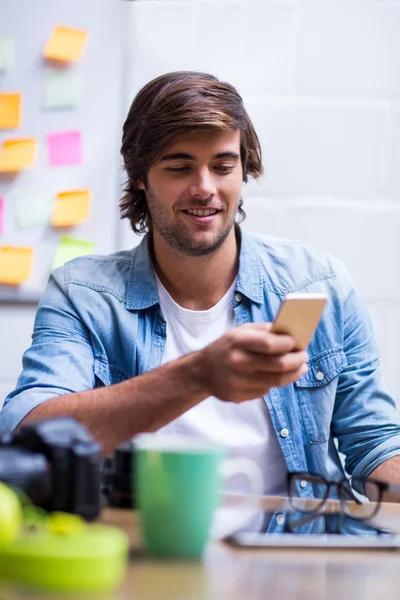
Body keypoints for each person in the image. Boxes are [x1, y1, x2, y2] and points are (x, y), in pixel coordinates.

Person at [1, 71, 400, 506]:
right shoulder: (83, 294)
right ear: (140, 176)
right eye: (180, 167)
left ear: (244, 169)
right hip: (143, 555)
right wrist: (197, 375)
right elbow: (30, 436)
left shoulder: (319, 282)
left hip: (290, 553)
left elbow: (375, 444)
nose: (205, 188)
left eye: (224, 166)